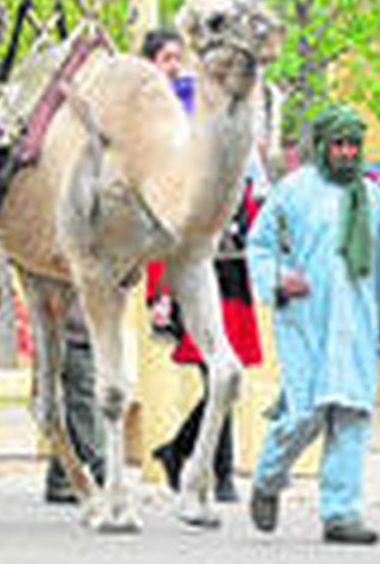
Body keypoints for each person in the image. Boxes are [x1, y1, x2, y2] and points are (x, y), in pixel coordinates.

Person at [244, 104, 380, 546]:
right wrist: (278, 277)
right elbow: (259, 245)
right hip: (304, 323)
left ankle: (341, 514)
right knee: (305, 414)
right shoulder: (293, 191)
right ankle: (268, 478)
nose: (347, 152)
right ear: (322, 146)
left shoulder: (373, 200)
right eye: (339, 144)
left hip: (358, 326)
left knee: (351, 417)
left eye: (353, 144)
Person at [139, 28, 264, 502]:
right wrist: (160, 290)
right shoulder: (150, 129)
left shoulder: (209, 115)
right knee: (216, 372)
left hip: (228, 262)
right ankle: (216, 469)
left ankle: (182, 452)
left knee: (228, 370)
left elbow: (251, 187)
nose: (176, 66)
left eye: (179, 57)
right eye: (166, 57)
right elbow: (159, 218)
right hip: (187, 262)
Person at [43, 302, 107, 504]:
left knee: (77, 406)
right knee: (83, 404)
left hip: (83, 333)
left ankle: (60, 479)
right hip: (74, 334)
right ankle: (102, 468)